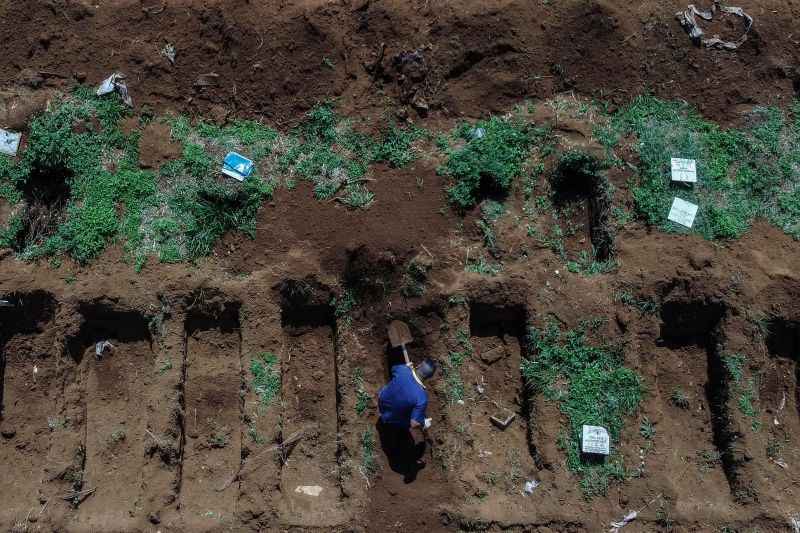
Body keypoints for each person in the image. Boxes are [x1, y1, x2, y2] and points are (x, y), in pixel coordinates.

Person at [376, 357, 437, 483]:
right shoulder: (421, 397)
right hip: (391, 420)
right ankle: (396, 443)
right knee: (410, 420)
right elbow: (414, 424)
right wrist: (423, 422)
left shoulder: (403, 370)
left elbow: (393, 369)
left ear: (419, 365)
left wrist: (408, 366)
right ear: (429, 378)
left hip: (381, 401)